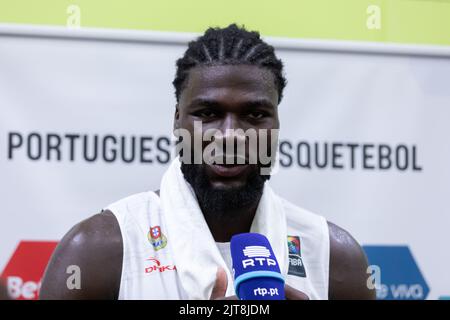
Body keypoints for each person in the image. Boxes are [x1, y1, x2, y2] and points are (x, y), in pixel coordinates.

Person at [40, 24, 375, 300]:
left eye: (254, 115)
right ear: (176, 120)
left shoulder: (336, 259)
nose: (230, 135)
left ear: (276, 125)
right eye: (208, 114)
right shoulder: (100, 252)